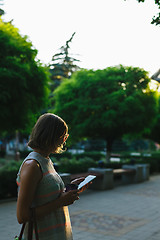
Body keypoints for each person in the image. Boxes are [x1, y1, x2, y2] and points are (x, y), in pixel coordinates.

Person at [16, 113, 85, 240]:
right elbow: (22, 216)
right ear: (51, 136)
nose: (65, 139)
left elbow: (46, 195)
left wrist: (71, 189)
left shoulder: (46, 160)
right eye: (63, 135)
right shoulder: (33, 165)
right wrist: (61, 202)